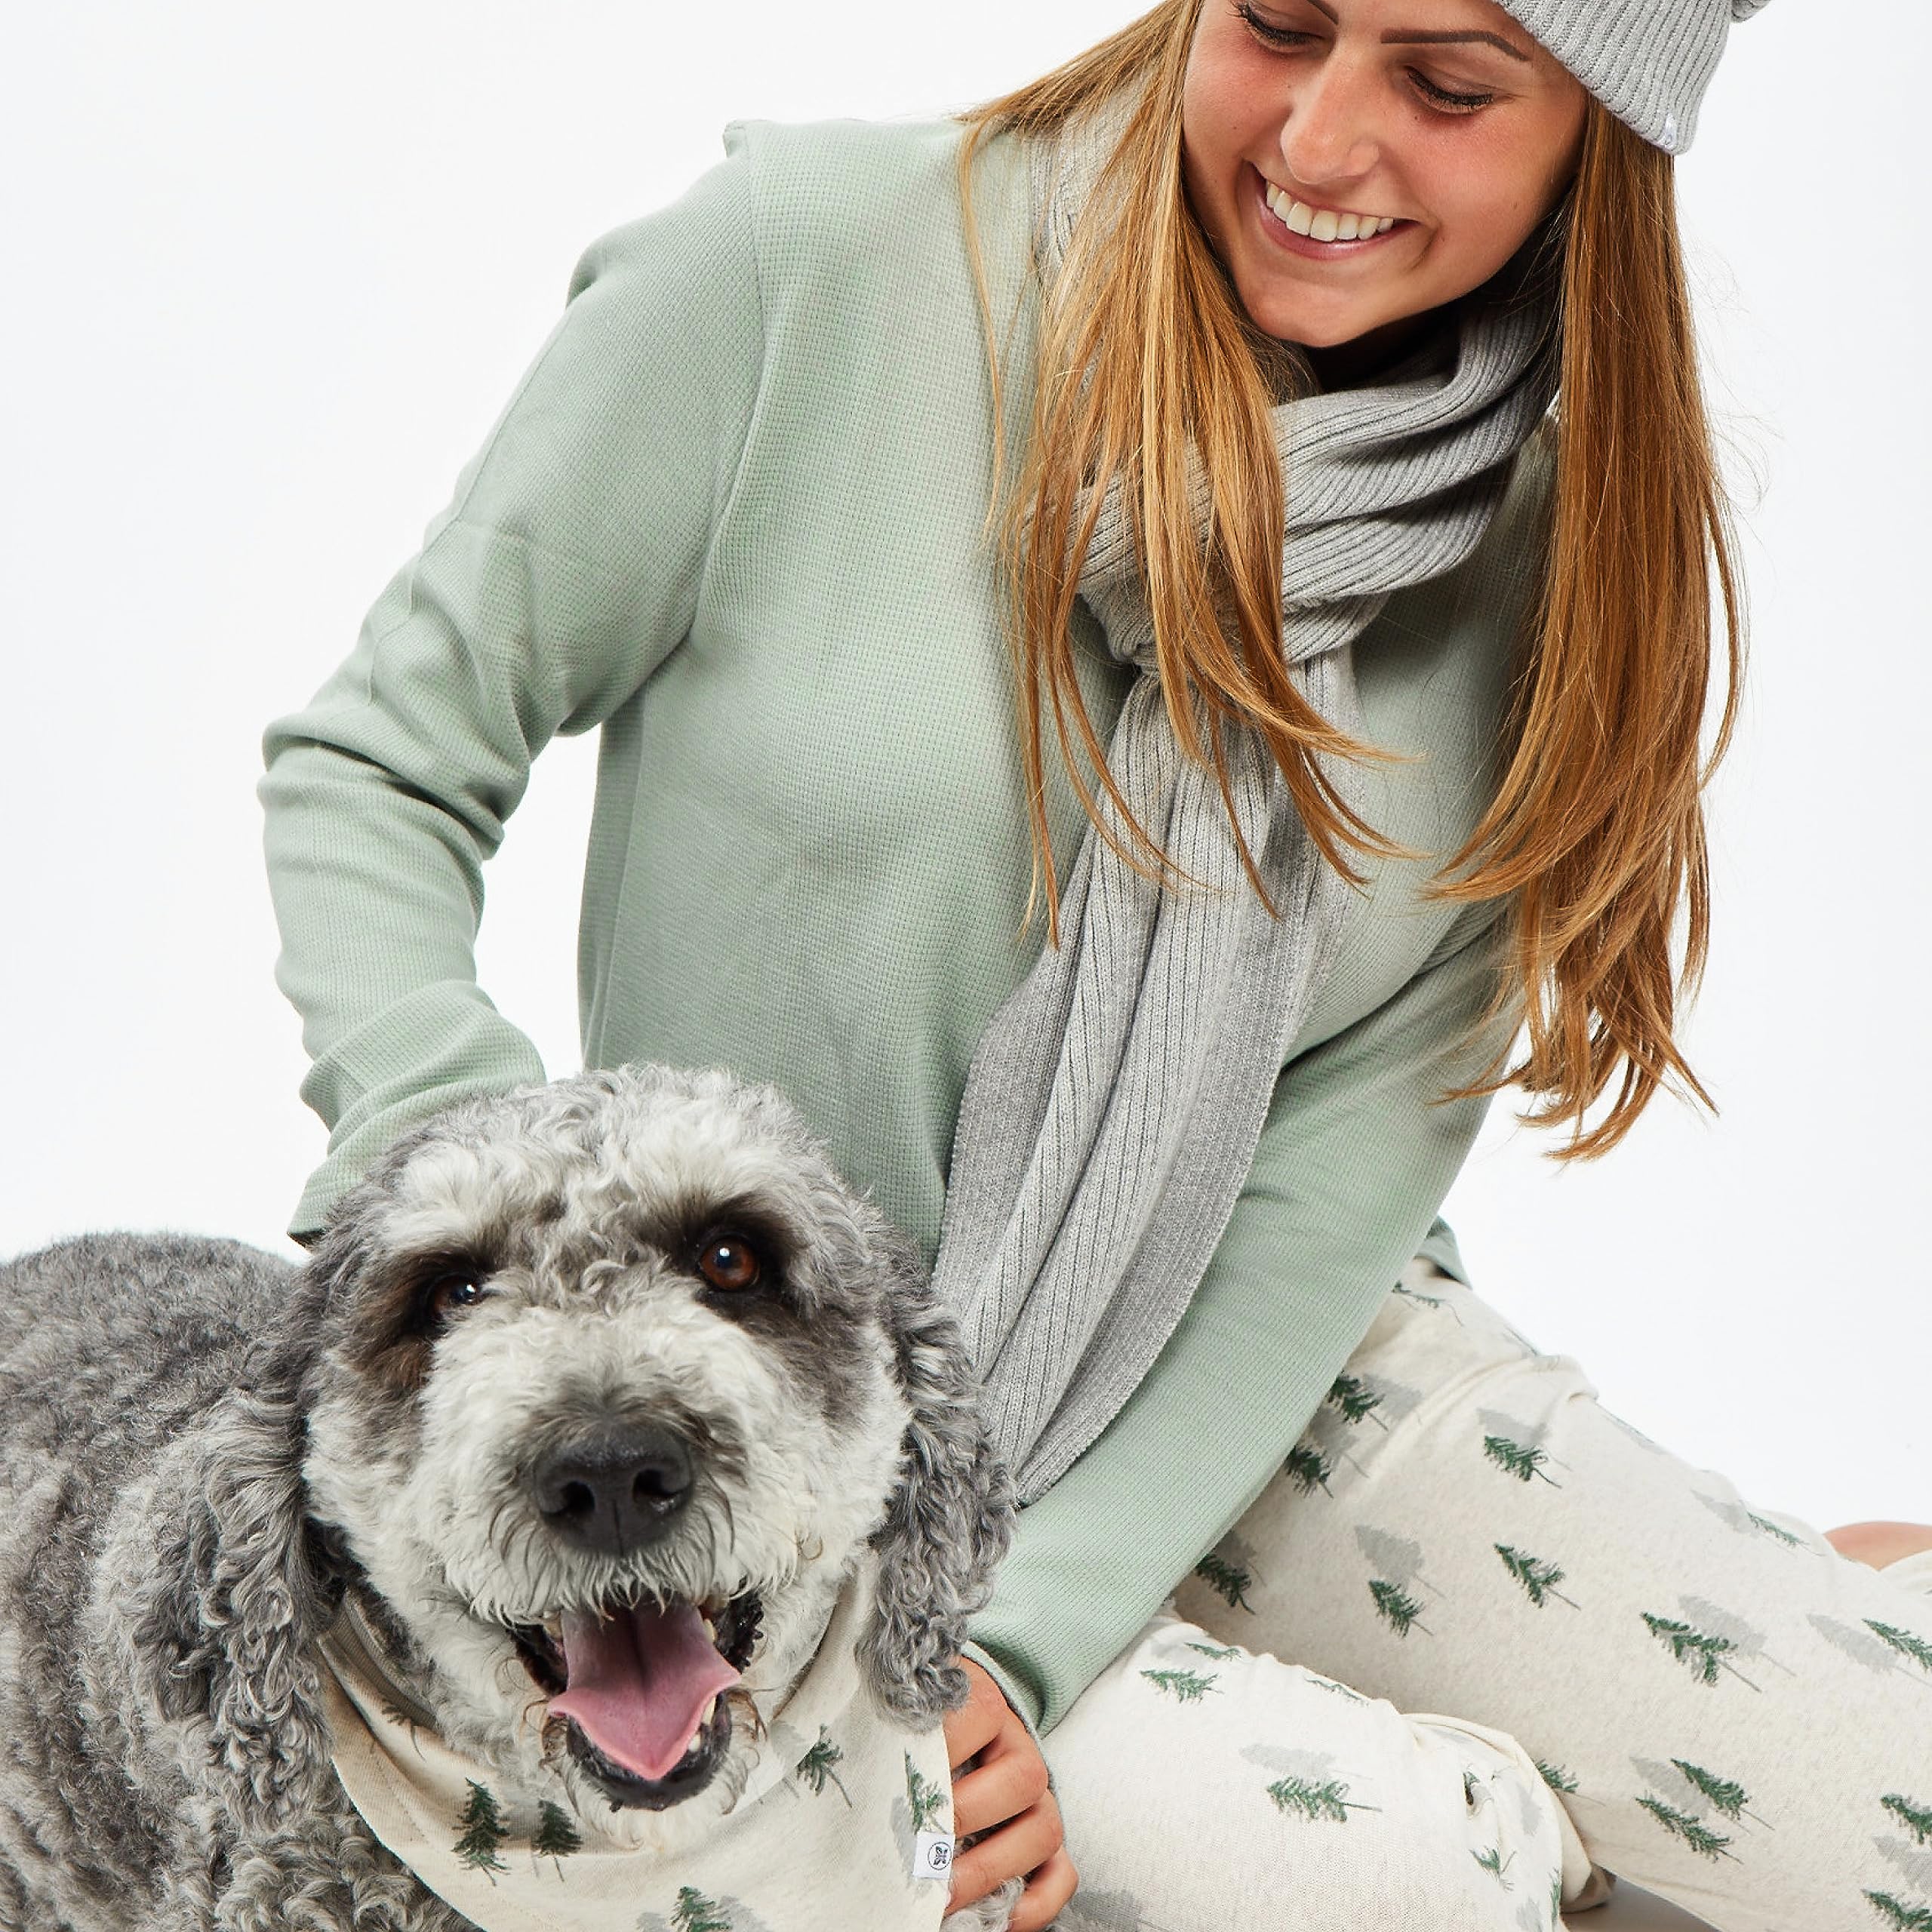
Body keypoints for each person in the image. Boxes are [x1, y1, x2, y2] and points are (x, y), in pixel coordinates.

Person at [258, 1, 1932, 1927]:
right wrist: (471, 1203)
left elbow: (1316, 1210)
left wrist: (1023, 1636)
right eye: (1276, 21)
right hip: (779, 1409)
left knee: (1891, 1814)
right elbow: (380, 760)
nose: (1318, 142)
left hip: (1252, 1361)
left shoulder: (1553, 556)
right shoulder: (810, 267)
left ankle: (1740, 1669)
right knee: (1411, 1876)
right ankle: (1605, 1802)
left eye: (1447, 85)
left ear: (1596, 141)